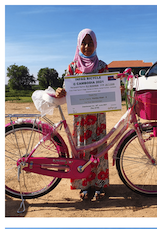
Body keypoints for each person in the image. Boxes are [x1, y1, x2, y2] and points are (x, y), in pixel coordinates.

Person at [55, 29, 110, 202]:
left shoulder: (102, 66)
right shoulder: (72, 67)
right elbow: (66, 89)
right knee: (82, 149)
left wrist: (116, 90)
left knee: (100, 149)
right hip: (80, 118)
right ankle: (85, 185)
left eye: (90, 43)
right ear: (79, 44)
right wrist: (60, 91)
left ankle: (99, 184)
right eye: (83, 43)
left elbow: (109, 88)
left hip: (98, 117)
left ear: (95, 44)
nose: (87, 47)